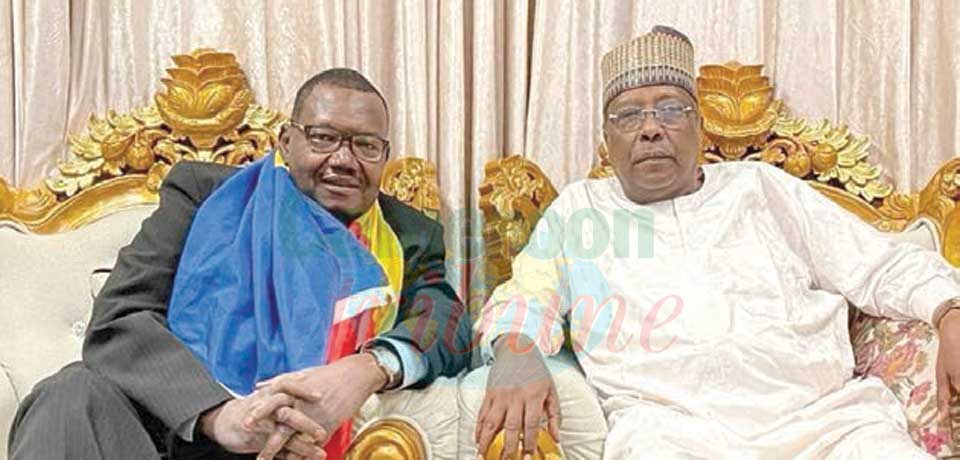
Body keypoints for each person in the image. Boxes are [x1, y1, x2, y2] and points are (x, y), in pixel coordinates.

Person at [472, 26, 960, 460]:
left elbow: (880, 264)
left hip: (827, 423)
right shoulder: (581, 211)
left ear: (699, 125)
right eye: (627, 115)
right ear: (606, 138)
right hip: (671, 431)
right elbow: (526, 295)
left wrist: (950, 311)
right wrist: (515, 350)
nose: (649, 128)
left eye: (671, 109)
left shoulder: (763, 188)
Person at [8, 68, 472, 460]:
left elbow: (446, 324)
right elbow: (120, 319)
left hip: (307, 443)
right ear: (286, 142)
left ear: (384, 156)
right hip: (175, 436)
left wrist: (361, 371)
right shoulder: (204, 196)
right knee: (70, 394)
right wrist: (218, 414)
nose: (344, 160)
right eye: (324, 137)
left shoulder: (407, 232)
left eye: (366, 146)